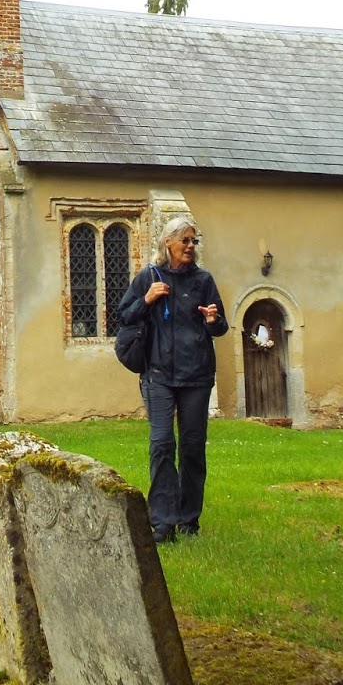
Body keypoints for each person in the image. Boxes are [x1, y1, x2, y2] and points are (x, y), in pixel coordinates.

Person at [115, 217, 229, 543]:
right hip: (158, 375)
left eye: (194, 241)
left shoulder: (204, 281)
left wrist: (213, 320)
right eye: (186, 241)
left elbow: (220, 327)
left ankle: (189, 521)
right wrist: (147, 299)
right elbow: (123, 316)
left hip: (196, 376)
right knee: (162, 443)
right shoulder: (149, 277)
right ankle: (163, 524)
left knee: (192, 449)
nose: (191, 247)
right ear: (169, 243)